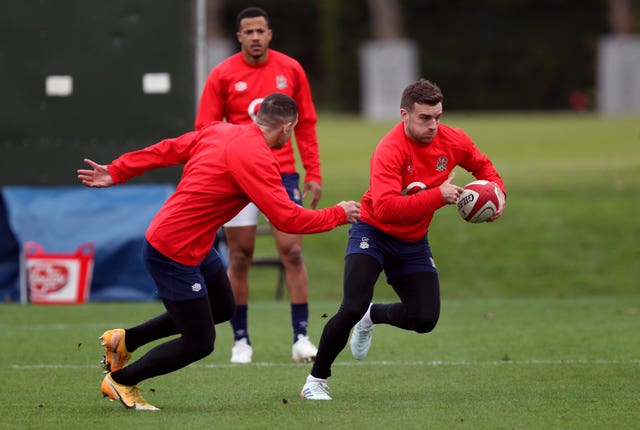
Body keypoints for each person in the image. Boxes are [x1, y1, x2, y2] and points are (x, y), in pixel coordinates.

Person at [77, 93, 360, 411]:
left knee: (224, 307)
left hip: (193, 243)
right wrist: (338, 214)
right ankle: (122, 381)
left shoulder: (220, 129)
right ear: (287, 128)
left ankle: (125, 340)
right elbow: (287, 218)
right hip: (173, 252)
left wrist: (117, 170)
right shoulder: (257, 158)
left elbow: (168, 149)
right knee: (199, 342)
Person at [299, 79, 507, 400]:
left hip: (412, 242)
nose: (433, 125)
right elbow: (385, 208)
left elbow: (483, 166)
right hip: (373, 233)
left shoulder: (453, 140)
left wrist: (497, 194)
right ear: (404, 115)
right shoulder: (389, 150)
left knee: (425, 319)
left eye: (438, 116)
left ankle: (374, 316)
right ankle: (315, 381)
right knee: (351, 306)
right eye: (425, 118)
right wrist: (439, 196)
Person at [195, 7, 324, 364]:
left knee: (293, 252)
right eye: (248, 31)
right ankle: (241, 340)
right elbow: (205, 129)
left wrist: (312, 171)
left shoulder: (290, 69)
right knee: (239, 256)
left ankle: (301, 338)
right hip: (238, 177)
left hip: (282, 174)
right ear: (239, 37)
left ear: (270, 34)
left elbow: (307, 123)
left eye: (260, 31)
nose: (254, 37)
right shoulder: (222, 75)